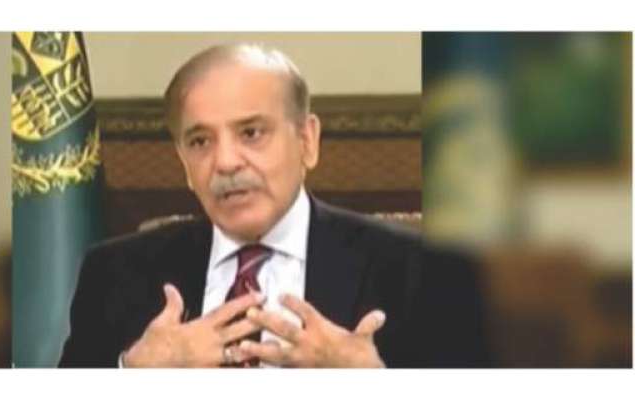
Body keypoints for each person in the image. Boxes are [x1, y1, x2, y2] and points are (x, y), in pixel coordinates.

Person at [58, 43, 489, 368]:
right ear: (184, 163)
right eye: (200, 141)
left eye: (251, 133)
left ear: (307, 141)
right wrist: (132, 375)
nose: (225, 162)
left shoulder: (421, 270)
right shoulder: (113, 273)